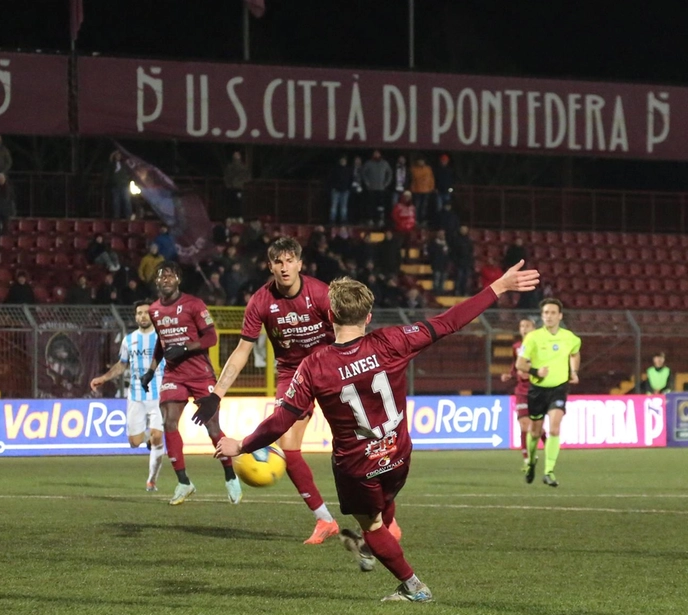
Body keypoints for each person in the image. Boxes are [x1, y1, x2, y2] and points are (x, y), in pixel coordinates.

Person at [215, 260, 540, 602]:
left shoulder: (315, 365)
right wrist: (499, 287)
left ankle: (413, 586)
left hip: (358, 467)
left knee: (371, 525)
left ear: (329, 317)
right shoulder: (392, 341)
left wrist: (242, 445)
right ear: (368, 317)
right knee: (380, 510)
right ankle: (375, 540)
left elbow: (282, 420)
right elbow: (448, 322)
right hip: (399, 455)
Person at [213, 238, 340, 544]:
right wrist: (217, 393)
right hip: (293, 376)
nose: (284, 268)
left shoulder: (321, 293)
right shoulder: (260, 301)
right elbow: (243, 349)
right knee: (290, 448)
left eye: (289, 261)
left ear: (300, 263)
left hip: (329, 369)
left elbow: (343, 335)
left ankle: (385, 517)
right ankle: (325, 520)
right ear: (270, 266)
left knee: (355, 444)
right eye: (278, 262)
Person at [139, 262, 241, 506]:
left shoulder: (194, 304)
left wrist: (184, 347)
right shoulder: (154, 310)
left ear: (178, 280)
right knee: (169, 421)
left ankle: (230, 475)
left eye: (170, 275)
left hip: (200, 374)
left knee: (212, 427)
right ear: (156, 282)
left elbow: (211, 337)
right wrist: (151, 370)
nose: (165, 279)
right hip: (174, 375)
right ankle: (183, 482)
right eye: (161, 276)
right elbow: (162, 343)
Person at [90, 301, 167, 491]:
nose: (142, 316)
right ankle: (149, 439)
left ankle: (152, 480)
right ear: (135, 316)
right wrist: (104, 378)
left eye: (146, 313)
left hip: (159, 394)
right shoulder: (129, 340)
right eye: (139, 313)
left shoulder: (162, 338)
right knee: (134, 442)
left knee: (158, 436)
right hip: (135, 395)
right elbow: (122, 365)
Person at [515, 298, 581, 487]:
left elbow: (575, 352)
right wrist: (536, 372)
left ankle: (549, 471)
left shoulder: (570, 337)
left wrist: (574, 371)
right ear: (542, 316)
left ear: (560, 316)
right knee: (535, 432)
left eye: (552, 313)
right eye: (546, 313)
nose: (549, 316)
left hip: (559, 388)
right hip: (537, 390)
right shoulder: (533, 337)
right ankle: (531, 462)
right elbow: (520, 363)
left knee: (554, 429)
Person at [500, 317, 546, 470]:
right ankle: (527, 460)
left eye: (527, 325)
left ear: (534, 328)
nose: (524, 328)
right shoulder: (517, 347)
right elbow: (516, 364)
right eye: (522, 326)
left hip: (537, 388)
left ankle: (549, 449)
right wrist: (510, 374)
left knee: (535, 426)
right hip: (521, 390)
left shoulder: (541, 346)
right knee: (523, 424)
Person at [359, 151, 392, 227]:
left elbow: (390, 173)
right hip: (371, 189)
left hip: (381, 189)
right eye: (375, 154)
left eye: (378, 153)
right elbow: (363, 173)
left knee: (380, 206)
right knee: (370, 205)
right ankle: (370, 219)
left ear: (380, 154)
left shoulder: (385, 163)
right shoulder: (368, 163)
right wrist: (367, 182)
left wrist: (386, 183)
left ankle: (380, 219)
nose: (376, 155)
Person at [223, 151, 251, 221]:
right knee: (236, 202)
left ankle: (234, 216)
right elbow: (226, 177)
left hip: (235, 188)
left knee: (234, 202)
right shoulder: (241, 167)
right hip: (236, 188)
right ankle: (235, 217)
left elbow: (248, 177)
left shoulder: (240, 167)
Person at [328, 155, 353, 225]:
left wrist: (348, 189)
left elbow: (351, 180)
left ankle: (343, 220)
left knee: (344, 207)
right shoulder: (335, 169)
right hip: (336, 190)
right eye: (342, 160)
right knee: (334, 206)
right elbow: (331, 179)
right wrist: (333, 187)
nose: (343, 161)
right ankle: (332, 220)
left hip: (345, 191)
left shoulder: (348, 170)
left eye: (344, 160)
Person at [409, 157, 435, 226]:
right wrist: (412, 189)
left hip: (426, 190)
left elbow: (431, 179)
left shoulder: (428, 169)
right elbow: (412, 180)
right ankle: (416, 220)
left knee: (424, 206)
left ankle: (423, 220)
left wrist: (431, 187)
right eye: (419, 161)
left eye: (422, 161)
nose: (420, 162)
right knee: (417, 206)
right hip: (417, 190)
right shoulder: (413, 169)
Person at [450, 225, 474, 296]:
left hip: (467, 263)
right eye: (462, 229)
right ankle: (457, 291)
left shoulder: (469, 241)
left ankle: (464, 291)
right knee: (458, 278)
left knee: (465, 279)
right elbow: (454, 252)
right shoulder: (456, 240)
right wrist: (456, 261)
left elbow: (470, 252)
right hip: (459, 263)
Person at [109, 151, 133, 220]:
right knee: (116, 202)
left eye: (119, 155)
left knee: (126, 201)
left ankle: (128, 216)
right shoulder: (112, 165)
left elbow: (129, 173)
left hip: (124, 185)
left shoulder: (124, 164)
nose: (118, 156)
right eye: (116, 155)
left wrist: (127, 180)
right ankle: (116, 216)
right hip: (115, 185)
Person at [426, 230, 450, 294]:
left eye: (443, 234)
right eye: (440, 234)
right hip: (436, 264)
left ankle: (441, 291)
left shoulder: (447, 243)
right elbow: (431, 253)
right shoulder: (433, 243)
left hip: (444, 264)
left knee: (443, 279)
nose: (442, 236)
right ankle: (436, 291)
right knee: (436, 278)